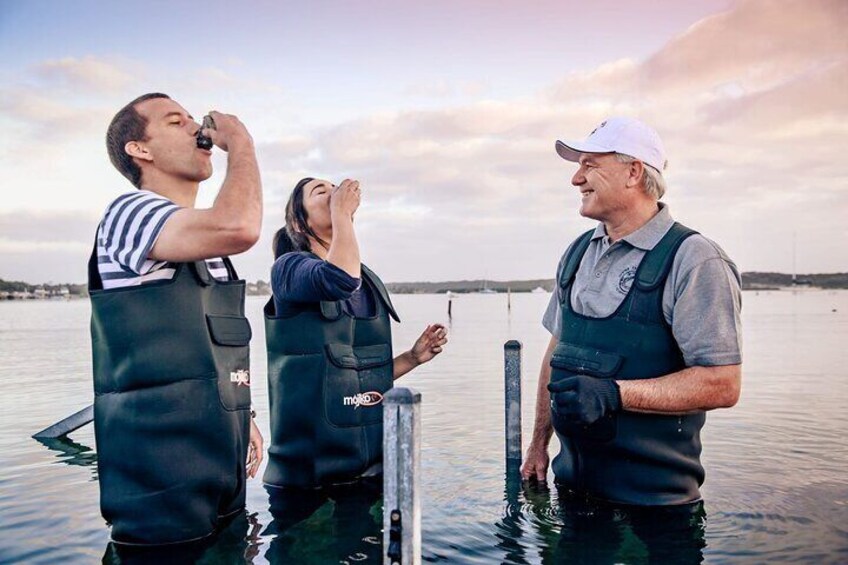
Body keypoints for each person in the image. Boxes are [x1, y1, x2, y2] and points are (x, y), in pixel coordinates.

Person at [521, 117, 742, 511]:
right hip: (570, 493)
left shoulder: (695, 259)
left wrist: (615, 394)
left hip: (657, 511)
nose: (576, 179)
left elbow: (722, 384)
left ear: (634, 172)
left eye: (590, 164)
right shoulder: (577, 254)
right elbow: (557, 351)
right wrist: (539, 442)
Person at [89, 92, 264, 545]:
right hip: (157, 477)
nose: (194, 126)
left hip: (220, 465)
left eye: (193, 119)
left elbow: (216, 350)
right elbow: (239, 226)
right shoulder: (129, 212)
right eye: (175, 121)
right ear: (139, 149)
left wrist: (246, 417)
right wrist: (241, 142)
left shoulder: (211, 253)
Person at [263, 177, 447, 488]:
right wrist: (342, 215)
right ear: (298, 222)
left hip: (371, 470)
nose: (333, 192)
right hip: (309, 480)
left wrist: (412, 358)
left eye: (334, 188)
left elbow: (358, 380)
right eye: (320, 192)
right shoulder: (289, 268)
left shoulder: (367, 280)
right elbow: (338, 279)